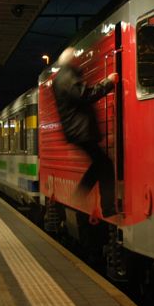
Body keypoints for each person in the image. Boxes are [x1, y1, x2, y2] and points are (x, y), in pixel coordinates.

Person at [52, 47, 120, 218]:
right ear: (69, 60)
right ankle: (104, 205)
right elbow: (85, 95)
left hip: (78, 129)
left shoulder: (64, 76)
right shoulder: (67, 75)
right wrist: (109, 82)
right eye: (76, 57)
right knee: (104, 164)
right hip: (79, 129)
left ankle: (83, 198)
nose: (79, 60)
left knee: (100, 163)